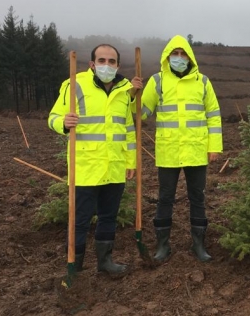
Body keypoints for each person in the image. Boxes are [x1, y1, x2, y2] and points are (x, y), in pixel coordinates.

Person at [48, 44, 143, 274]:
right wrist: (62, 123)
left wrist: (131, 161)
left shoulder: (123, 91)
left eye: (112, 61)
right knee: (80, 220)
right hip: (85, 167)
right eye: (102, 61)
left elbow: (128, 130)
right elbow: (52, 117)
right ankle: (75, 268)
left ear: (118, 65)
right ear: (92, 64)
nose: (107, 65)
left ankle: (105, 262)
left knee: (108, 216)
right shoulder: (75, 85)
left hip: (114, 167)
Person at [141, 35, 222, 263]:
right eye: (174, 54)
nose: (178, 58)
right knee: (165, 198)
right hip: (168, 152)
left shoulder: (203, 82)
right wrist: (133, 97)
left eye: (182, 53)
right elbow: (142, 113)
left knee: (197, 197)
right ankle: (162, 246)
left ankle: (199, 245)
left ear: (190, 57)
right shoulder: (157, 81)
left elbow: (213, 115)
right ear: (167, 58)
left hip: (196, 151)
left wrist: (214, 146)